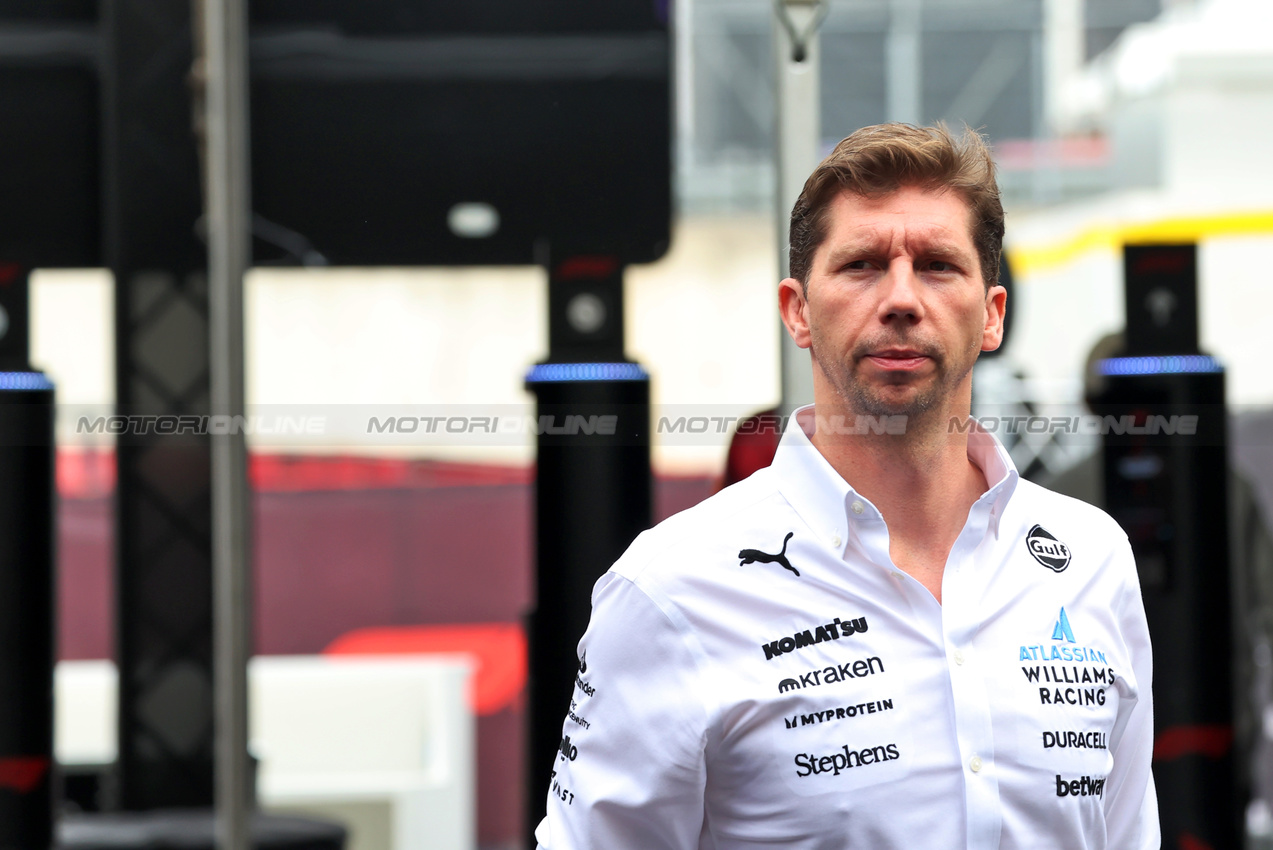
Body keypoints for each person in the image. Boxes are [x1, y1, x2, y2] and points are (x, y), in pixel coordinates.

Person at [535, 123, 1159, 849]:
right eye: (862, 265)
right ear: (797, 310)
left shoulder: (1092, 558)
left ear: (991, 316)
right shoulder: (669, 588)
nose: (901, 298)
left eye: (937, 266)